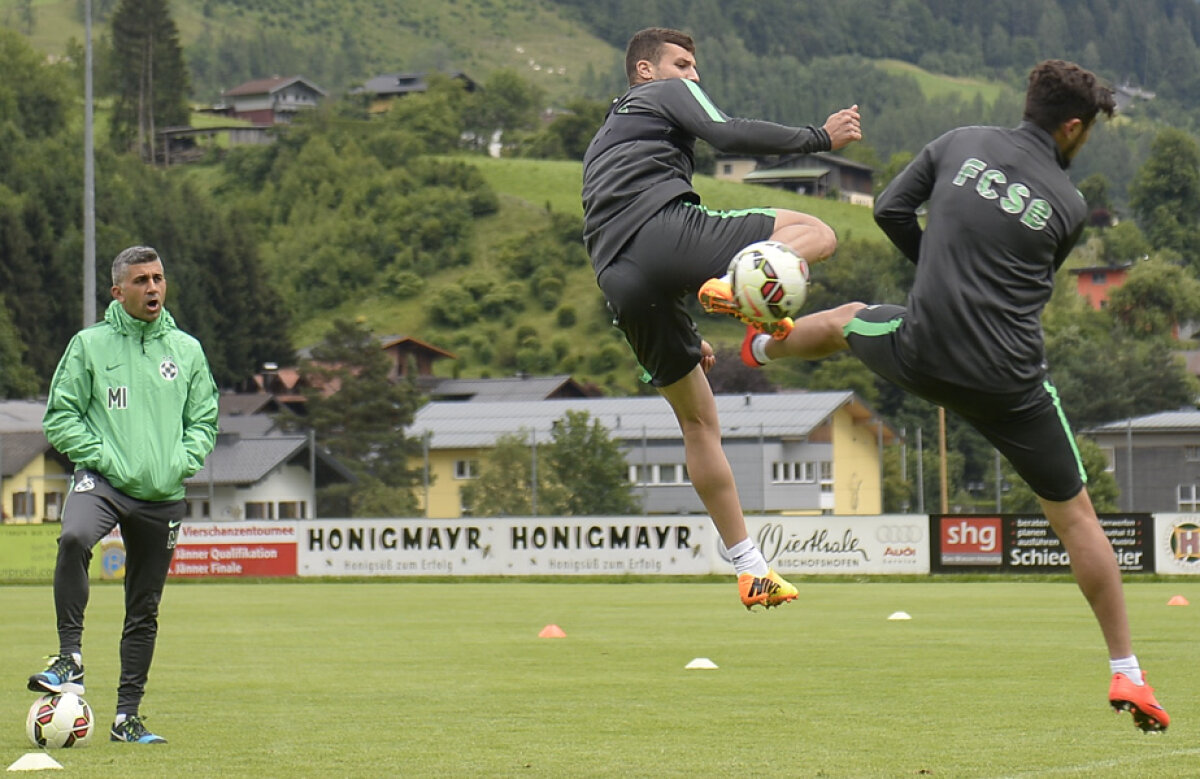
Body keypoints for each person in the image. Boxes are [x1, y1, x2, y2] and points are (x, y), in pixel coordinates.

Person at [731, 60, 1169, 731]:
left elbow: (887, 209)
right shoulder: (1070, 205)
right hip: (1011, 383)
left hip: (924, 350)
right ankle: (1127, 672)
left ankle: (758, 344)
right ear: (1073, 127)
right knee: (1078, 519)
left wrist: (935, 265)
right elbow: (1027, 278)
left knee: (850, 318)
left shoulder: (959, 140)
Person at [582, 27, 862, 609]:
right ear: (645, 70)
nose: (694, 76)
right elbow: (725, 131)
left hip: (619, 279)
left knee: (699, 422)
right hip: (667, 232)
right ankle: (741, 290)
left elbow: (628, 246)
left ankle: (750, 567)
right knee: (817, 232)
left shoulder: (602, 143)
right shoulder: (658, 95)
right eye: (683, 63)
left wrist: (682, 330)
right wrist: (821, 137)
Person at [30, 246, 219, 744]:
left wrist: (181, 462)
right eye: (141, 280)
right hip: (105, 482)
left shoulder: (187, 351)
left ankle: (126, 718)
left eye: (158, 278)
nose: (153, 288)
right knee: (73, 537)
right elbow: (60, 415)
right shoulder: (89, 345)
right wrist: (103, 457)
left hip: (162, 493)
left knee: (144, 606)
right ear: (118, 291)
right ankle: (69, 658)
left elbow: (203, 421)